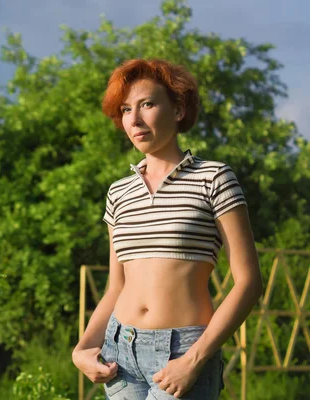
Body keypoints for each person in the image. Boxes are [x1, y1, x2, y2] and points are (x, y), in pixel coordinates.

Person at [71, 59, 263, 399]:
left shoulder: (214, 179)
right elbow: (117, 286)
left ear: (177, 109)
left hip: (184, 351)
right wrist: (83, 348)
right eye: (126, 109)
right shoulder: (119, 192)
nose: (134, 118)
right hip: (121, 354)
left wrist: (194, 359)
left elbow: (248, 282)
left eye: (147, 104)